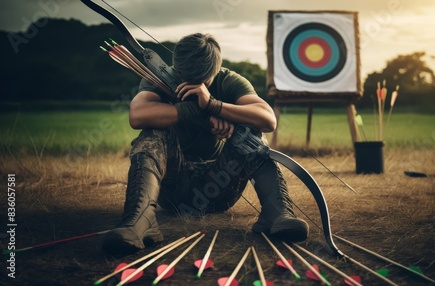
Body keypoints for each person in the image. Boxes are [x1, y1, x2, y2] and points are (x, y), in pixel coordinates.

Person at [102, 33, 309, 254]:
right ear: (175, 66)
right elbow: (138, 115)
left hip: (220, 186)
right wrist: (194, 108)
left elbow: (268, 119)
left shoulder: (229, 81)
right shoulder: (159, 77)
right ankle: (139, 221)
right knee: (151, 133)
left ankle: (277, 212)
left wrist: (215, 104)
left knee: (251, 134)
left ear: (215, 70)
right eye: (185, 78)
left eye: (201, 79)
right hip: (173, 191)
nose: (191, 84)